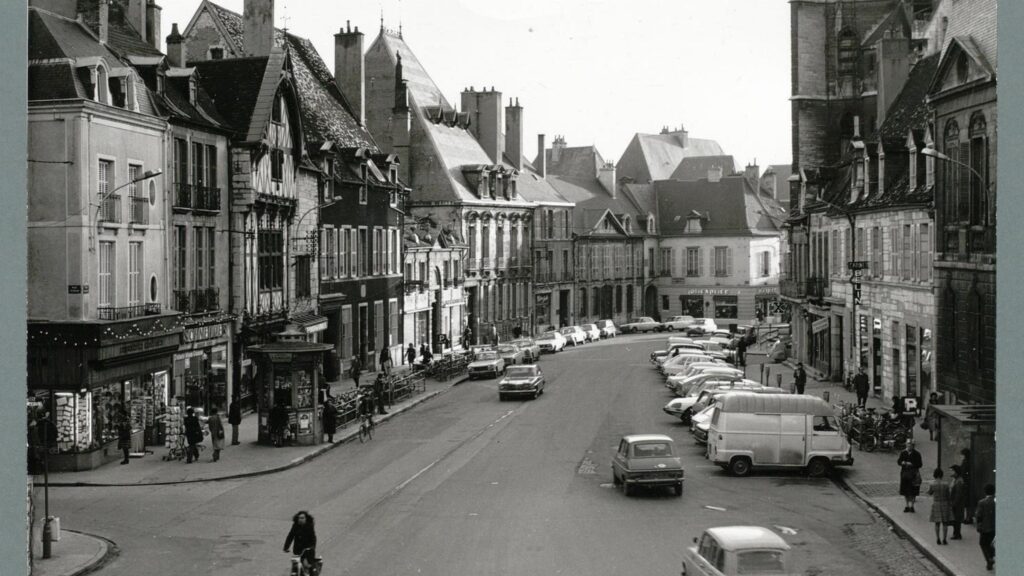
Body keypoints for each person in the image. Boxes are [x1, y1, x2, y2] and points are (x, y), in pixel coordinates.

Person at [928, 467, 953, 545]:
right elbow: (948, 495)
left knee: (937, 523)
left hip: (936, 504)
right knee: (945, 523)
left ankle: (938, 538)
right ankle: (944, 539)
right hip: (945, 504)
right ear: (942, 475)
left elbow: (929, 493)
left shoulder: (932, 484)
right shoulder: (945, 484)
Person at [898, 439, 923, 512]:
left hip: (913, 474)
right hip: (905, 474)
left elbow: (920, 464)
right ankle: (906, 505)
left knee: (913, 491)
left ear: (913, 446)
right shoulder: (903, 453)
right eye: (908, 445)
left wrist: (912, 464)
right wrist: (901, 462)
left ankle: (912, 505)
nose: (909, 446)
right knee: (905, 491)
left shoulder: (917, 454)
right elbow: (899, 461)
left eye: (911, 445)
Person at [975, 483, 995, 571]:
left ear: (985, 491)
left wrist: (978, 526)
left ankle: (989, 560)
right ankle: (991, 555)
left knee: (983, 543)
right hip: (994, 527)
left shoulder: (982, 502)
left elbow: (978, 515)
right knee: (991, 543)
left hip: (985, 527)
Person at [948, 465, 966, 540]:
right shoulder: (955, 480)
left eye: (952, 470)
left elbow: (958, 494)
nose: (950, 472)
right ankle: (956, 533)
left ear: (956, 472)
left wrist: (954, 504)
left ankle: (957, 534)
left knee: (956, 519)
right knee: (955, 518)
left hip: (957, 504)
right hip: (955, 502)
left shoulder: (959, 481)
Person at [960, 447, 975, 524]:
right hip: (969, 482)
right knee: (968, 501)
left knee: (967, 501)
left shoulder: (966, 462)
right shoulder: (970, 461)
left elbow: (963, 471)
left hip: (966, 483)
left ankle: (968, 517)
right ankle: (969, 516)